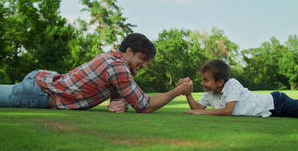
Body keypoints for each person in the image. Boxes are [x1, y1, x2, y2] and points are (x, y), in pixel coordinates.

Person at [0, 33, 193, 113]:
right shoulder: (117, 67)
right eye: (142, 59)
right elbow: (144, 105)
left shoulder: (115, 61)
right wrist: (178, 91)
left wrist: (123, 103)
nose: (143, 65)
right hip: (39, 92)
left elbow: (122, 93)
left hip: (41, 81)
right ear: (128, 51)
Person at [179, 59, 298, 118]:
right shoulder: (209, 93)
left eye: (206, 80)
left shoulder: (232, 84)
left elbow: (227, 112)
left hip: (277, 102)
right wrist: (187, 93)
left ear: (220, 82)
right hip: (270, 113)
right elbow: (196, 108)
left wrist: (200, 112)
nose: (202, 83)